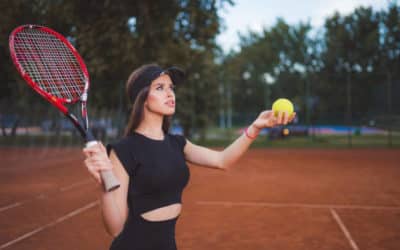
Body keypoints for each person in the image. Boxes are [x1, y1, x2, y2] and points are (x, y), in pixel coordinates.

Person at [83, 64, 296, 250]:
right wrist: (104, 185)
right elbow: (114, 228)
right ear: (143, 99)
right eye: (160, 88)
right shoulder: (124, 150)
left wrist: (256, 127)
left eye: (171, 88)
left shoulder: (178, 143)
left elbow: (222, 161)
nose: (170, 94)